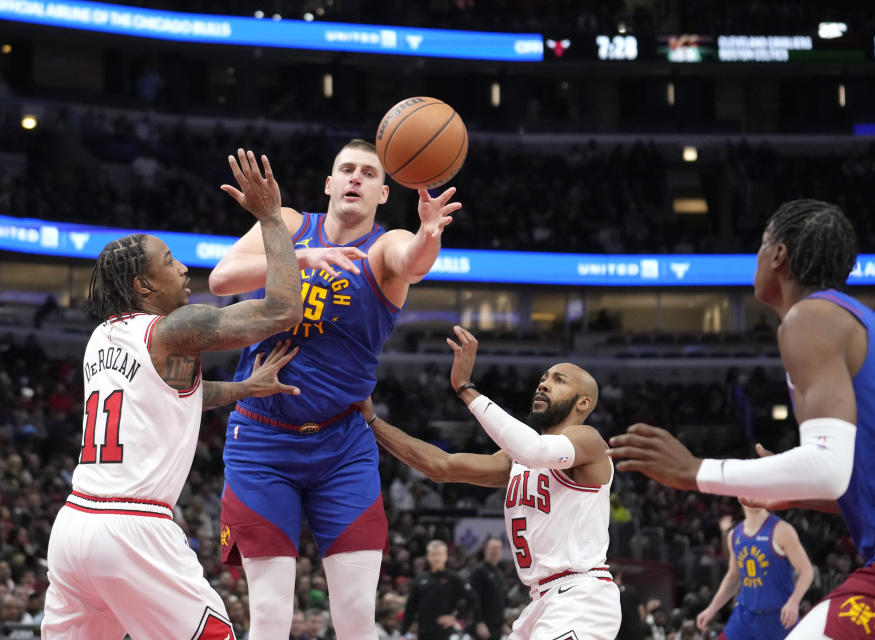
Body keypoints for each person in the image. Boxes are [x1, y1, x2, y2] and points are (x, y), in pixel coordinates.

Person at [609, 199, 875, 639]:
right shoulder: (871, 327)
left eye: (760, 245)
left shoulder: (809, 318)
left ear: (778, 256)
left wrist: (694, 470)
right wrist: (792, 494)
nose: (756, 257)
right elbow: (871, 481)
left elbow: (828, 471)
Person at [41, 150, 310, 639]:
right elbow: (284, 309)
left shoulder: (102, 337)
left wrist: (244, 388)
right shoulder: (174, 330)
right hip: (132, 528)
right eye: (170, 262)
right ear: (144, 284)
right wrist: (272, 217)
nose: (184, 268)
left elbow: (170, 396)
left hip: (74, 526)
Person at [208, 138, 462, 640]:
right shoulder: (288, 225)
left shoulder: (385, 247)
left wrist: (429, 233)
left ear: (383, 194)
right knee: (271, 615)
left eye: (368, 174)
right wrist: (300, 259)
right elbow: (220, 279)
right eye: (346, 169)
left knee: (355, 618)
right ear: (329, 183)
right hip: (261, 442)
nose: (355, 179)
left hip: (341, 444)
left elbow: (412, 261)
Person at [363, 325, 621, 640]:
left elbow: (534, 448)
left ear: (583, 403)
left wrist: (465, 388)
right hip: (541, 601)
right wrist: (372, 421)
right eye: (543, 378)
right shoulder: (518, 458)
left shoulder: (589, 441)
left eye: (558, 380)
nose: (543, 384)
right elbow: (441, 466)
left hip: (582, 597)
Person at [695, 503, 813, 639]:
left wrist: (794, 602)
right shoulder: (734, 535)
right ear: (739, 497)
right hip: (744, 616)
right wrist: (712, 609)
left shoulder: (782, 530)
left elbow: (807, 571)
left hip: (779, 618)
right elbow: (733, 576)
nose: (752, 495)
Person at [401, 540, 476, 640]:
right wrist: (403, 633)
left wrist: (456, 617)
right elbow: (410, 608)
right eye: (433, 554)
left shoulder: (454, 578)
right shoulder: (420, 579)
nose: (436, 558)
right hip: (424, 633)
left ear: (445, 556)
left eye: (440, 554)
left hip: (446, 632)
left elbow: (473, 599)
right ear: (428, 557)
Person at [470, 537, 506, 640]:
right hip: (484, 627)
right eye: (493, 548)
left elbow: (499, 601)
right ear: (486, 550)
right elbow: (474, 599)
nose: (496, 551)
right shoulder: (479, 571)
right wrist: (479, 622)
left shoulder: (499, 572)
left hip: (497, 627)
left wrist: (502, 624)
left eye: (499, 548)